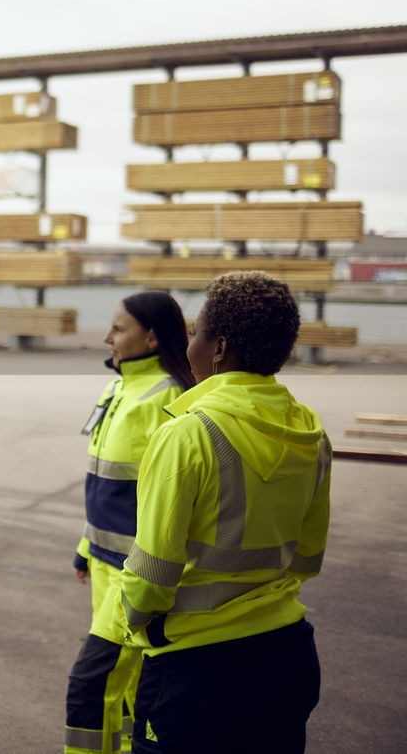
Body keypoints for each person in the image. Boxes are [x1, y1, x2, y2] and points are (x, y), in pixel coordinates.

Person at [120, 271, 330, 753]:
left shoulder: (187, 435)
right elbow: (307, 560)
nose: (189, 346)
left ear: (219, 348)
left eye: (195, 333)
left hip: (198, 671)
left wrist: (136, 624)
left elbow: (151, 574)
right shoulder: (313, 436)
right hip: (287, 655)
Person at [65, 292, 195, 754]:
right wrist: (86, 544)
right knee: (124, 683)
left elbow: (170, 501)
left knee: (91, 684)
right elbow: (110, 483)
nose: (107, 338)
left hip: (135, 573)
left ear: (153, 336)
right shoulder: (118, 388)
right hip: (103, 561)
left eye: (119, 329)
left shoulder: (170, 399)